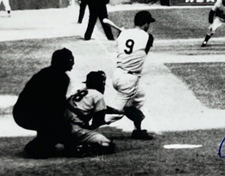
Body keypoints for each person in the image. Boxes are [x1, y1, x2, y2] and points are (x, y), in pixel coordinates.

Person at [13, 48, 75, 158]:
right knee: (63, 127)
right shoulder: (61, 78)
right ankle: (38, 146)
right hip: (28, 114)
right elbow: (56, 104)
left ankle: (43, 142)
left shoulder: (46, 72)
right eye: (70, 60)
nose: (73, 63)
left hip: (23, 112)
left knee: (54, 122)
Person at [108, 10, 156, 140]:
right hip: (128, 80)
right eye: (148, 23)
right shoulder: (148, 37)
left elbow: (124, 45)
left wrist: (121, 33)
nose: (149, 26)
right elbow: (143, 50)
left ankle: (138, 130)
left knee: (140, 97)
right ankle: (86, 126)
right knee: (117, 113)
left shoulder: (123, 35)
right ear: (145, 24)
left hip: (118, 74)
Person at [64, 70, 122, 156]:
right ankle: (79, 148)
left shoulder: (78, 91)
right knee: (108, 144)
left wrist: (119, 111)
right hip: (75, 131)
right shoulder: (98, 95)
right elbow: (99, 120)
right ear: (100, 84)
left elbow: (101, 107)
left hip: (60, 127)